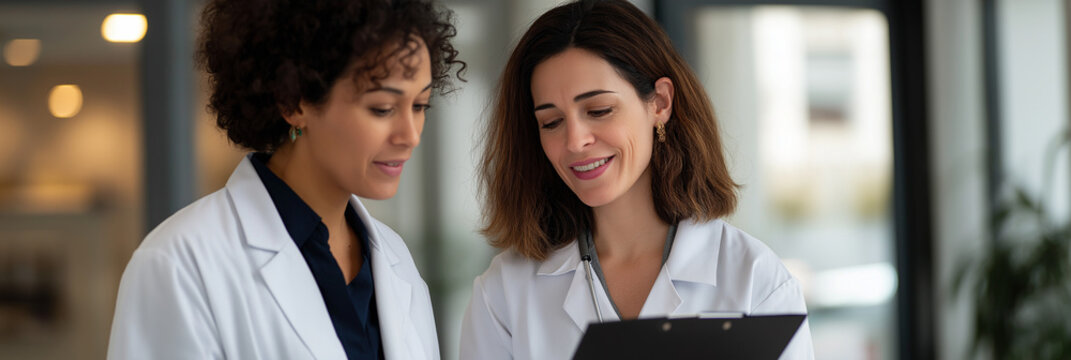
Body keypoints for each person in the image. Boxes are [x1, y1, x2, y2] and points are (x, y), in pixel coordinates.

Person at [107, 1, 463, 359]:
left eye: (420, 106)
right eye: (382, 108)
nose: (410, 135)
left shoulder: (395, 259)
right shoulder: (180, 263)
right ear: (293, 102)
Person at [460, 0, 813, 359]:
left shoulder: (755, 280)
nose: (575, 141)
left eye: (599, 110)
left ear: (660, 103)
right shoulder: (504, 292)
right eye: (551, 122)